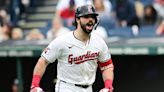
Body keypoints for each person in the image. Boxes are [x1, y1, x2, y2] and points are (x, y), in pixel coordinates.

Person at [30, 5, 114, 92]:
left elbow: (107, 65)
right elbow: (43, 61)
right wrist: (34, 85)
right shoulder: (62, 40)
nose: (90, 20)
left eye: (93, 17)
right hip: (67, 87)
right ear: (77, 19)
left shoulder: (99, 41)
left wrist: (108, 86)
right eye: (86, 16)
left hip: (89, 88)